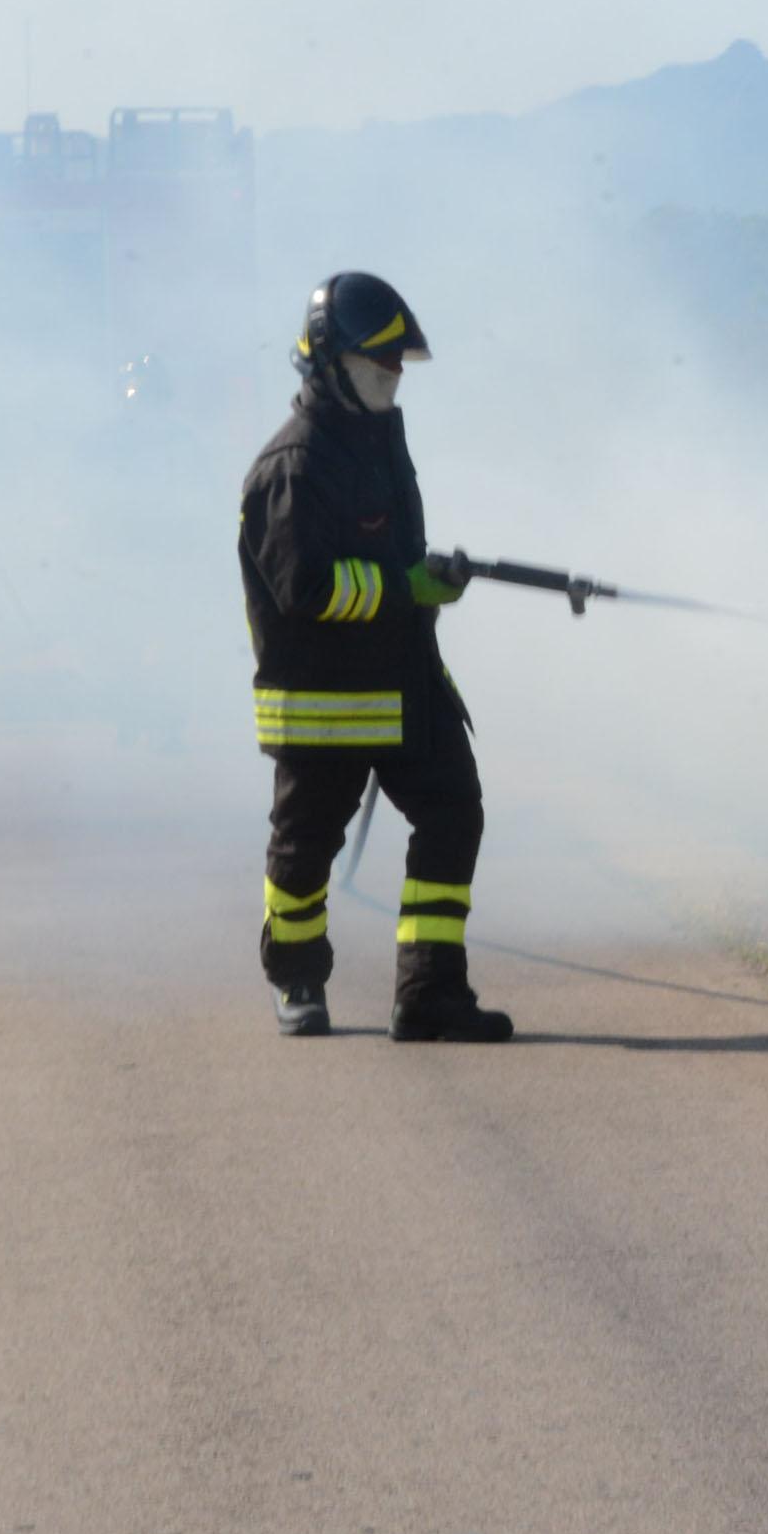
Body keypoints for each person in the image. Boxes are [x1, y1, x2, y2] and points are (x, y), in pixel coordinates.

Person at [237, 271, 511, 1042]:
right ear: (330, 363)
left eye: (397, 365)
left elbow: (391, 557)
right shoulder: (292, 465)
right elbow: (304, 586)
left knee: (453, 813)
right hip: (325, 702)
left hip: (403, 685)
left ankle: (429, 994)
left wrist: (430, 579)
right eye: (377, 363)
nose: (392, 376)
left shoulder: (379, 438)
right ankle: (296, 976)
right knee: (304, 852)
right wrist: (403, 586)